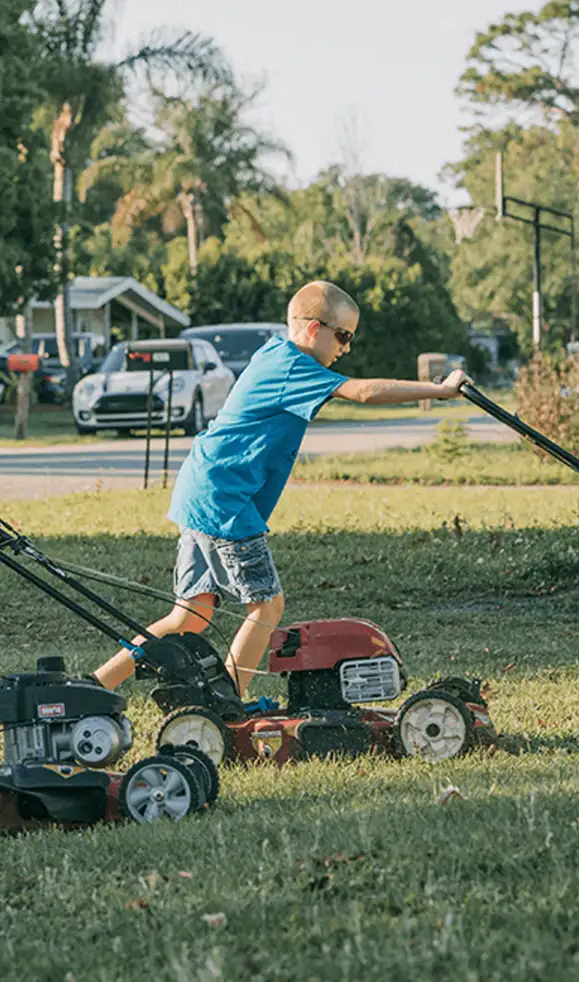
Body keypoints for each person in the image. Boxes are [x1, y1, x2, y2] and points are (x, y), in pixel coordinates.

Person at [92, 280, 470, 695]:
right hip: (226, 500)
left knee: (188, 618)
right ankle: (227, 701)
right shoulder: (292, 365)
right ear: (312, 329)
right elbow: (362, 391)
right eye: (343, 336)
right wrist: (441, 390)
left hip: (202, 488)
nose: (346, 348)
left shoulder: (274, 351)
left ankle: (97, 683)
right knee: (267, 605)